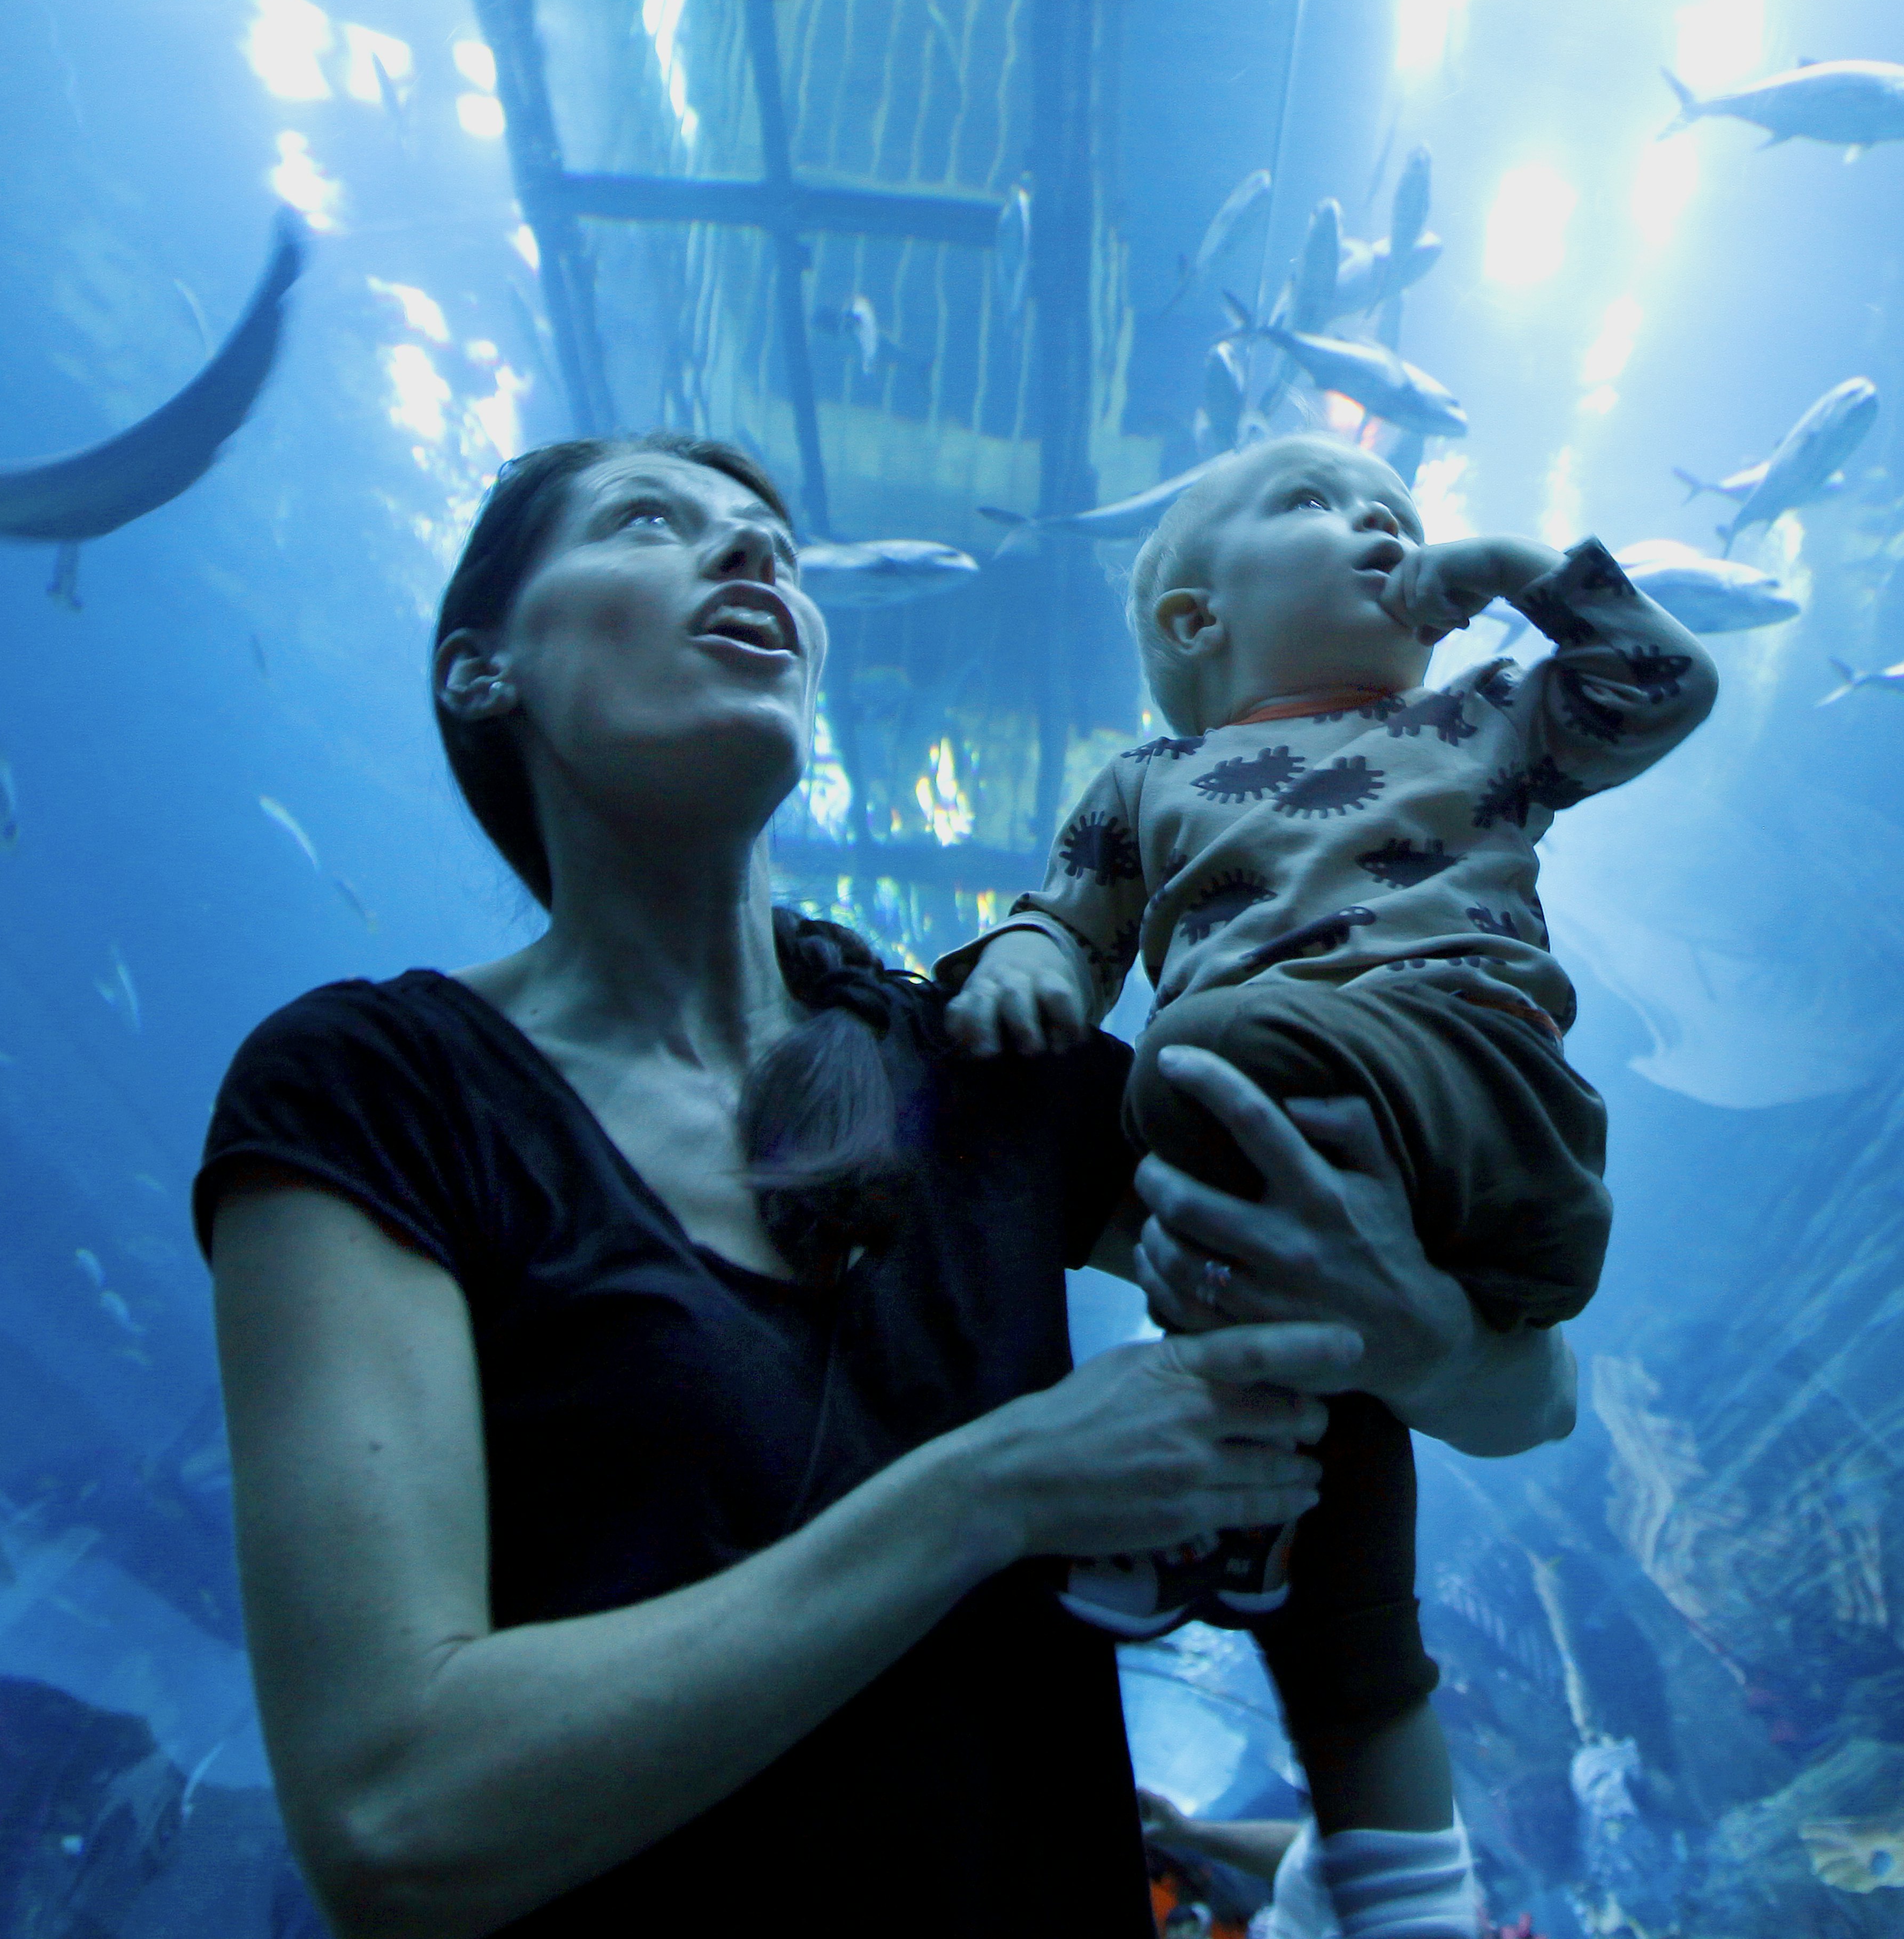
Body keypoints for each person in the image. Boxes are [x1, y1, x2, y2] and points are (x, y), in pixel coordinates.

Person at [195, 435, 1575, 1939]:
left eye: (774, 547)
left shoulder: (988, 1070)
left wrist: (1422, 1332)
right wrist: (1004, 1484)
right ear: (479, 670)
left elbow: (1524, 1399)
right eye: (651, 523)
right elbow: (393, 1819)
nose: (750, 559)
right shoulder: (374, 1086)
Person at [945, 433, 1716, 1938]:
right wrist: (1027, 957)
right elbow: (1062, 923)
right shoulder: (1150, 780)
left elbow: (1664, 683)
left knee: (1204, 1049)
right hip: (1290, 1164)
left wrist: (1514, 579)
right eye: (1317, 507)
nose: (1378, 530)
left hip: (1478, 1099)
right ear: (1192, 622)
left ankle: (1194, 1477)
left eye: (1397, 516)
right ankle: (1402, 1886)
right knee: (1351, 1591)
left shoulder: (1479, 723)